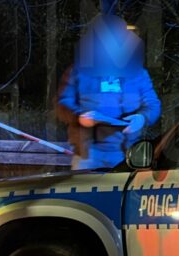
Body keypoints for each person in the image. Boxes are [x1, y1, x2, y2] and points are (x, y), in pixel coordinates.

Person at [57, 15, 161, 170]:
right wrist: (79, 117)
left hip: (126, 153)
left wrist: (142, 118)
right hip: (88, 154)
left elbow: (152, 103)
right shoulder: (79, 71)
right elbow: (62, 103)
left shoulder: (138, 74)